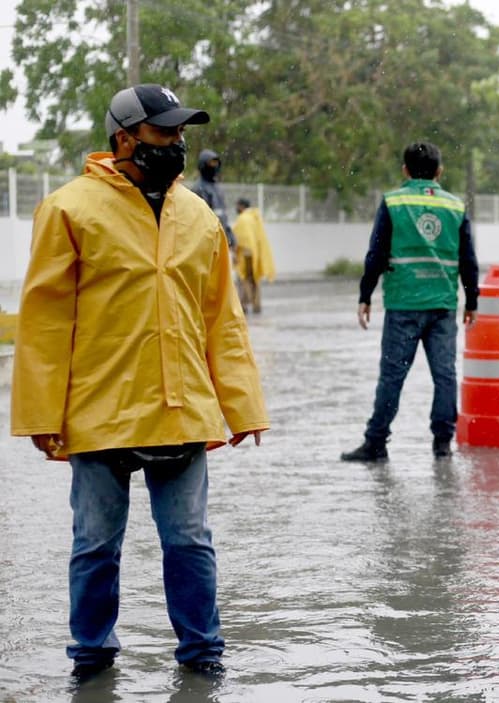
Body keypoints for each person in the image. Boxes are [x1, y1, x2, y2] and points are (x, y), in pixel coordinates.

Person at [9, 83, 270, 681]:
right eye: (164, 132)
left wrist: (243, 404)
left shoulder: (199, 215)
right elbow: (46, 321)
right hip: (99, 407)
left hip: (181, 406)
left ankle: (203, 660)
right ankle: (92, 660)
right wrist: (41, 416)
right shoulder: (69, 208)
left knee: (190, 542)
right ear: (125, 137)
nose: (177, 144)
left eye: (181, 133)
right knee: (96, 545)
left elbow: (220, 318)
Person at [340, 142, 480, 462]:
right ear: (439, 172)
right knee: (444, 375)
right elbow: (468, 258)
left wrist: (365, 295)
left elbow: (376, 253)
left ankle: (376, 442)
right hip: (443, 305)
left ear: (404, 171)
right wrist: (472, 299)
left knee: (392, 376)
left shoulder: (394, 202)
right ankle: (442, 443)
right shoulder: (455, 207)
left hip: (403, 303)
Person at [232, 197, 276, 313]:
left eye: (237, 205)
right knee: (255, 279)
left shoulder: (242, 219)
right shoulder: (255, 218)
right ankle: (257, 305)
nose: (236, 208)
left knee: (243, 279)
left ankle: (244, 305)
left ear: (241, 206)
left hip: (245, 254)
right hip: (255, 253)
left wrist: (235, 255)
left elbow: (239, 239)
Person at [192, 148, 237, 251]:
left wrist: (230, 236)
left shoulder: (217, 188)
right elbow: (200, 221)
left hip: (220, 241)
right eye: (211, 163)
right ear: (203, 165)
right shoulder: (199, 188)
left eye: (216, 163)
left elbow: (222, 215)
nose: (214, 166)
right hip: (207, 244)